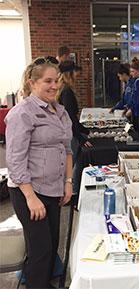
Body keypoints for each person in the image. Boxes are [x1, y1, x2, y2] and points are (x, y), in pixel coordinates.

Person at [5, 57, 73, 289]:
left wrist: (68, 182)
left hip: (54, 189)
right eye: (47, 81)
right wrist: (31, 197)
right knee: (41, 249)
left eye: (56, 81)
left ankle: (43, 283)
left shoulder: (60, 111)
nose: (54, 85)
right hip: (29, 192)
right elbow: (15, 160)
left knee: (53, 244)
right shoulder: (22, 113)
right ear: (33, 83)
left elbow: (66, 149)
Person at [57, 60, 92, 198]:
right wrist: (81, 137)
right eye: (75, 72)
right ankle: (74, 193)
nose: (77, 75)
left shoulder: (62, 89)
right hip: (69, 134)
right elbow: (70, 118)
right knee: (75, 164)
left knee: (72, 164)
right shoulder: (66, 92)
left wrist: (84, 130)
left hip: (68, 132)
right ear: (69, 73)